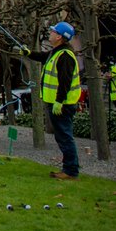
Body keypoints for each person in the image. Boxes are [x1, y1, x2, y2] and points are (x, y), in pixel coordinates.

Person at [21, 21, 82, 179]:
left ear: (60, 37)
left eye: (53, 31)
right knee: (62, 136)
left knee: (64, 137)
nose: (50, 33)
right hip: (58, 103)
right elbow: (43, 57)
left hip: (63, 105)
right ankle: (69, 169)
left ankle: (70, 171)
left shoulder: (65, 56)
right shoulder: (57, 52)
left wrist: (59, 101)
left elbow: (65, 81)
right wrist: (29, 53)